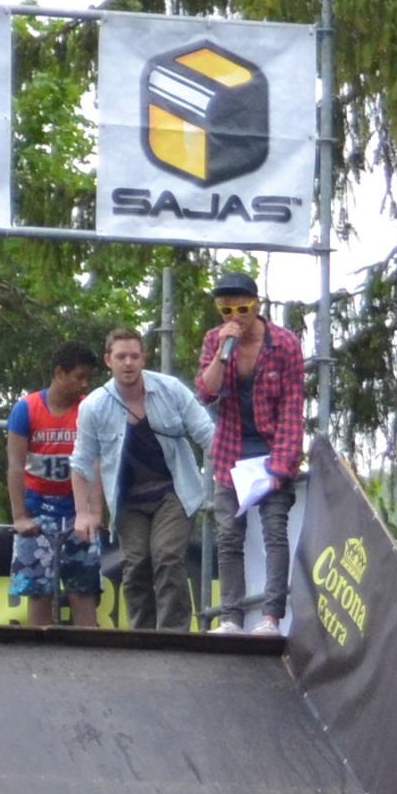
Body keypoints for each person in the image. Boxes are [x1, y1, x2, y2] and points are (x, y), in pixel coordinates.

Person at [71, 325, 219, 633]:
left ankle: (173, 636)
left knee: (166, 557)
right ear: (108, 360)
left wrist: (230, 476)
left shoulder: (170, 390)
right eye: (121, 357)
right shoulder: (93, 406)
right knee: (136, 564)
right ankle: (143, 637)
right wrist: (83, 513)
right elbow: (81, 461)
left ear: (143, 358)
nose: (128, 363)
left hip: (174, 492)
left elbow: (207, 434)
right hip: (129, 500)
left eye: (134, 356)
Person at [196, 267, 306, 629]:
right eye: (226, 310)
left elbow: (292, 409)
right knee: (229, 537)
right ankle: (231, 617)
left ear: (257, 305)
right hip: (231, 454)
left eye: (242, 309)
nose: (235, 317)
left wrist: (281, 466)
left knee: (275, 533)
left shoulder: (285, 344)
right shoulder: (215, 340)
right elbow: (205, 392)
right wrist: (221, 354)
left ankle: (271, 617)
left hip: (272, 451)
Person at [0, 341, 103, 630]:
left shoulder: (87, 409)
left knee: (83, 589)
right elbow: (15, 466)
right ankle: (40, 651)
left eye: (88, 378)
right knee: (38, 591)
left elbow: (97, 464)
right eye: (79, 377)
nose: (84, 385)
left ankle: (89, 652)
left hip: (76, 509)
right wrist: (20, 516)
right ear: (59, 373)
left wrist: (94, 512)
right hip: (38, 507)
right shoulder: (26, 408)